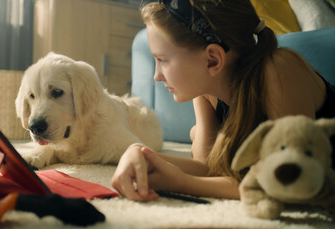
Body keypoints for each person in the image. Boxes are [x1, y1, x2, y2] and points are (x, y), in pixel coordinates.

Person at [111, 0, 335, 202]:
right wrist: (140, 154)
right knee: (201, 135)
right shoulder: (205, 91)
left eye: (162, 60)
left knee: (200, 134)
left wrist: (181, 182)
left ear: (212, 59)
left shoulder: (278, 70)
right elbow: (207, 167)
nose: (157, 76)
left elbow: (288, 180)